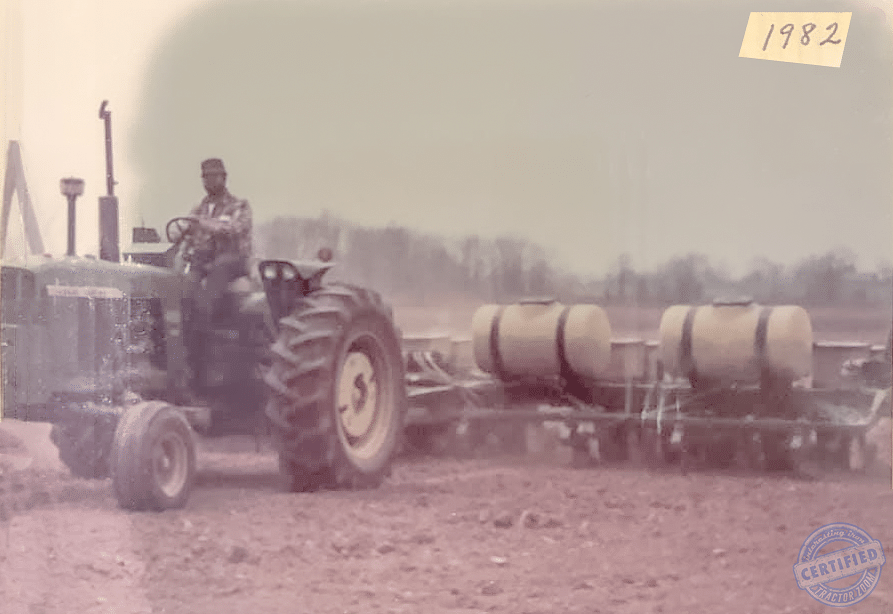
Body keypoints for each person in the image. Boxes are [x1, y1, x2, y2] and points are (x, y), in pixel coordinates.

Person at [179, 158, 253, 328]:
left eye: (214, 176)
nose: (209, 181)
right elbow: (187, 234)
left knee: (214, 279)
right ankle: (184, 331)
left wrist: (205, 224)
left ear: (224, 178)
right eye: (206, 177)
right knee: (185, 288)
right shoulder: (198, 208)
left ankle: (203, 330)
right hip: (203, 259)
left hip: (233, 258)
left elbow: (235, 229)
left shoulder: (239, 205)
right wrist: (182, 232)